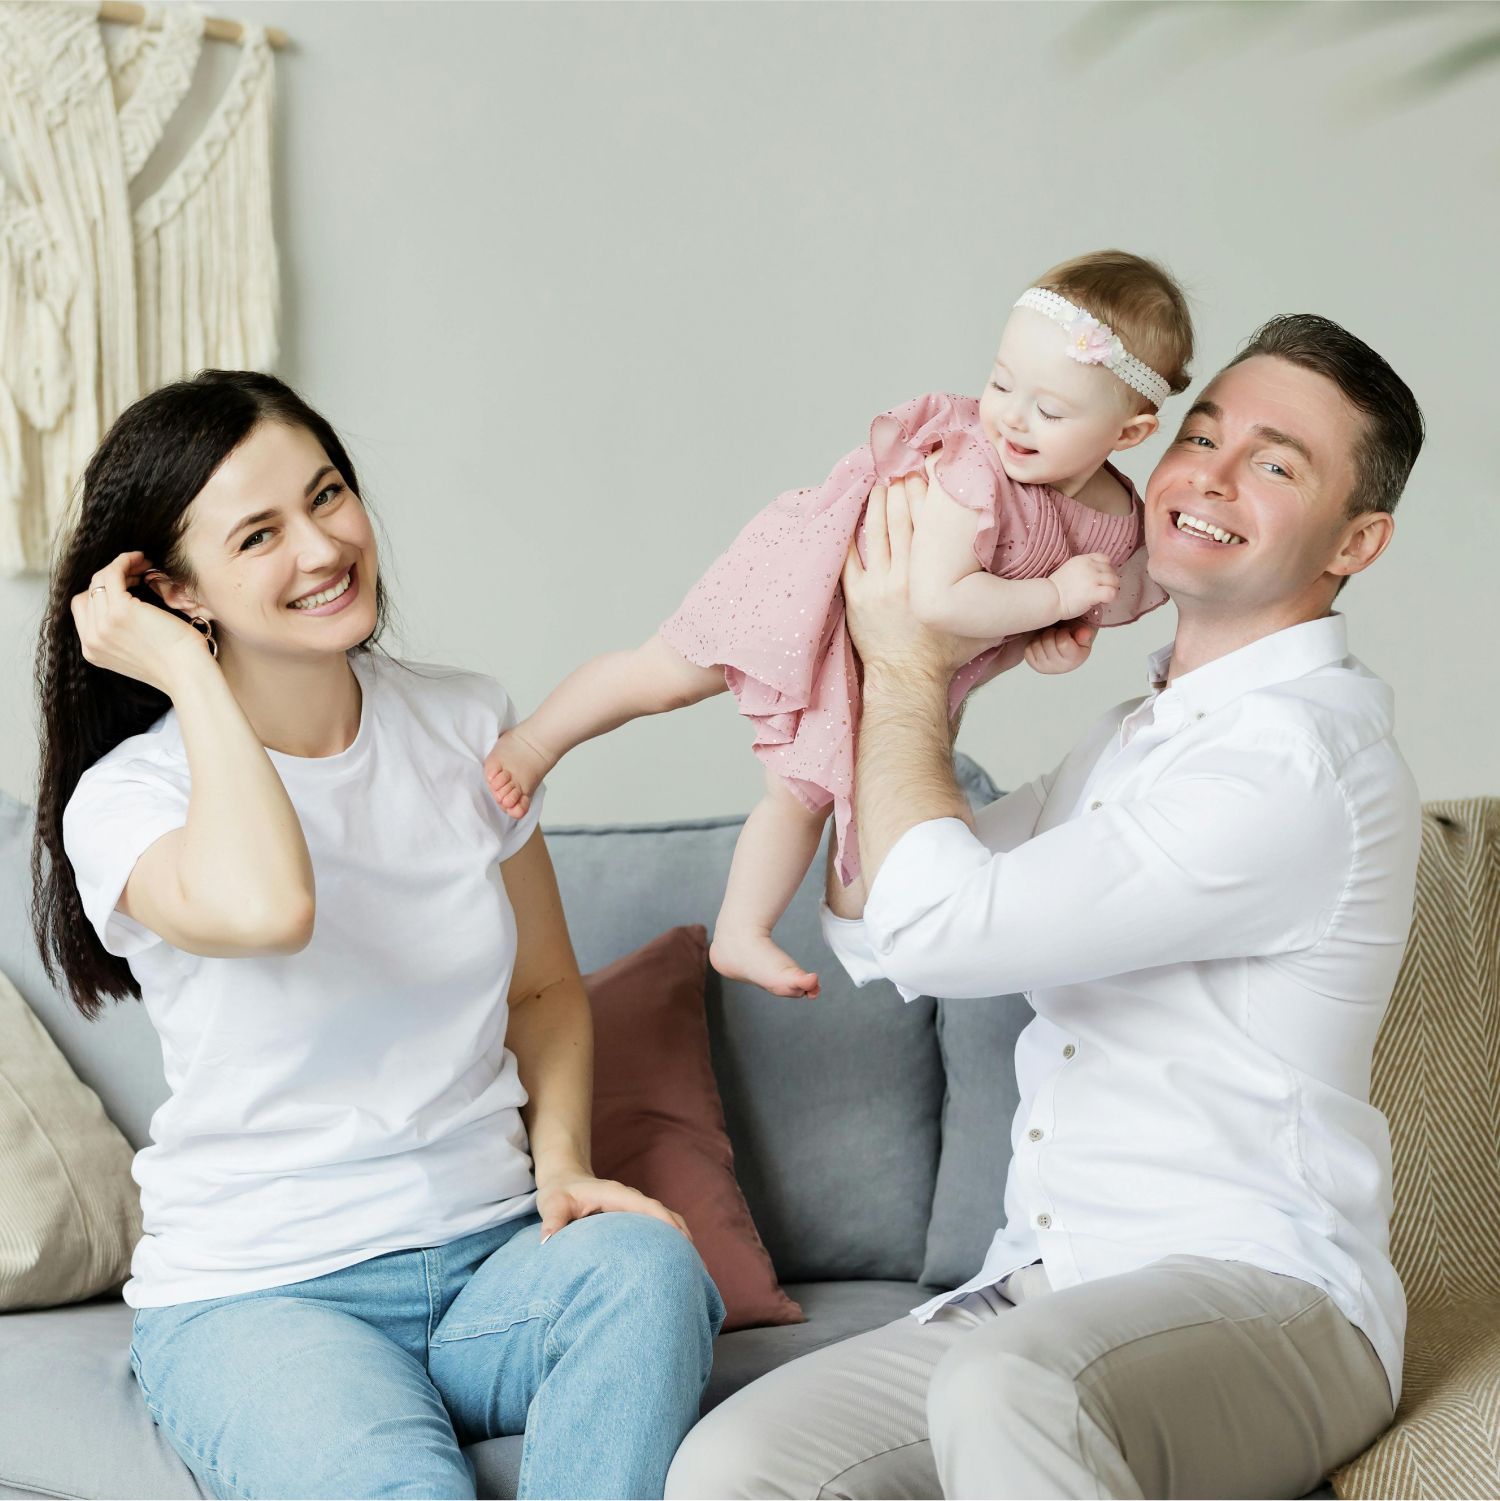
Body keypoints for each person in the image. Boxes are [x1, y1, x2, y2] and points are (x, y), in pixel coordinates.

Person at [664, 313, 1424, 1500]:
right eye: (1203, 433)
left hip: (1267, 1297)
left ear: (1357, 540)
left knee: (1012, 1388)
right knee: (738, 1467)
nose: (1209, 476)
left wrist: (909, 662)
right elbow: (876, 920)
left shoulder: (1289, 764)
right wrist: (944, 670)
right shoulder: (1142, 738)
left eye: (1276, 464)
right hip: (1049, 1287)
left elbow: (942, 926)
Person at [31, 370, 724, 1501]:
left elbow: (544, 988)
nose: (322, 547)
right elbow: (270, 905)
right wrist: (182, 675)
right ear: (172, 590)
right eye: (259, 534)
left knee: (651, 1270)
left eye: (329, 495)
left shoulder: (461, 724)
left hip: (491, 1256)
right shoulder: (126, 798)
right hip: (264, 1293)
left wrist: (563, 1170)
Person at [484, 250, 1192, 998]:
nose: (1010, 415)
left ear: (1130, 433)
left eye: (1049, 410)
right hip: (813, 583)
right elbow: (940, 599)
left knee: (800, 793)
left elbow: (1043, 614)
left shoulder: (1116, 521)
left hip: (879, 656)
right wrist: (1050, 598)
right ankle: (535, 742)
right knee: (662, 674)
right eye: (1000, 381)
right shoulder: (974, 468)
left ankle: (739, 931)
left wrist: (1049, 640)